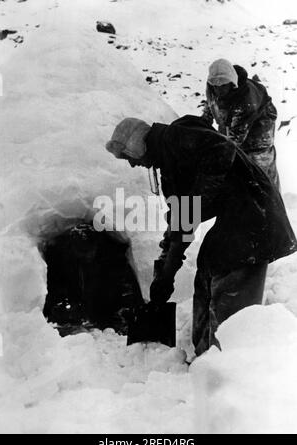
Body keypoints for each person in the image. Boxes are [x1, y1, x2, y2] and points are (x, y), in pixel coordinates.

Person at [106, 115, 297, 356]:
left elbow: (222, 148)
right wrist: (167, 267)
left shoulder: (174, 139)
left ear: (137, 144)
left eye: (128, 156)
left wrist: (196, 200)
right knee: (208, 265)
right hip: (238, 214)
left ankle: (228, 357)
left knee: (231, 267)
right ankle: (204, 356)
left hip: (255, 215)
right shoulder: (168, 158)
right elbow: (180, 215)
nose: (132, 164)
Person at [202, 59, 280, 188]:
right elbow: (210, 108)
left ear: (232, 83)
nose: (218, 89)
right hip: (231, 125)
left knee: (261, 178)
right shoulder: (212, 88)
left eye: (223, 85)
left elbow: (235, 140)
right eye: (215, 85)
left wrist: (214, 157)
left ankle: (272, 206)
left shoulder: (246, 100)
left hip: (259, 136)